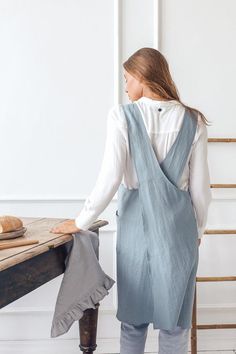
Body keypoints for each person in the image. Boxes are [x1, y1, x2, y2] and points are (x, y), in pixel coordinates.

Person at [50, 47, 212, 354]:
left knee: (133, 321)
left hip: (136, 228)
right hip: (179, 231)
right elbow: (201, 189)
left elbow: (109, 178)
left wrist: (80, 220)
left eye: (127, 78)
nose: (125, 87)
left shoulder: (121, 115)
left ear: (141, 76)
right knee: (176, 324)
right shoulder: (194, 120)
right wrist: (198, 230)